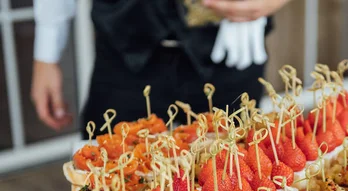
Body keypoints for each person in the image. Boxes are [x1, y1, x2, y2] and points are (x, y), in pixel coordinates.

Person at [31, 0, 291, 136]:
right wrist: (47, 52)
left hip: (233, 51)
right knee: (108, 186)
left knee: (231, 184)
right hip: (124, 51)